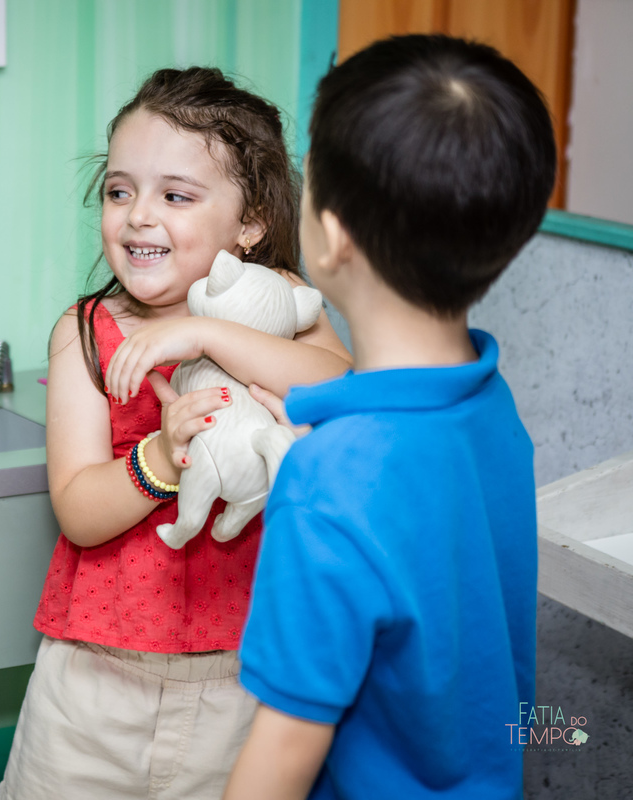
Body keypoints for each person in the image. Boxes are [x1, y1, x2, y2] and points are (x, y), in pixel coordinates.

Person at [0, 67, 352, 799]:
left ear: (249, 223)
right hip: (94, 686)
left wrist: (202, 332)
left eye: (176, 196)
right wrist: (158, 456)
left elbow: (341, 391)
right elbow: (78, 510)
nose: (137, 216)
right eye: (120, 191)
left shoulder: (285, 303)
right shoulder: (85, 333)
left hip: (245, 680)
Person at [224, 34, 556, 800]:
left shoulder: (326, 485)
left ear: (332, 234)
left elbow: (280, 757)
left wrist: (329, 473)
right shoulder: (490, 408)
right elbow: (494, 693)